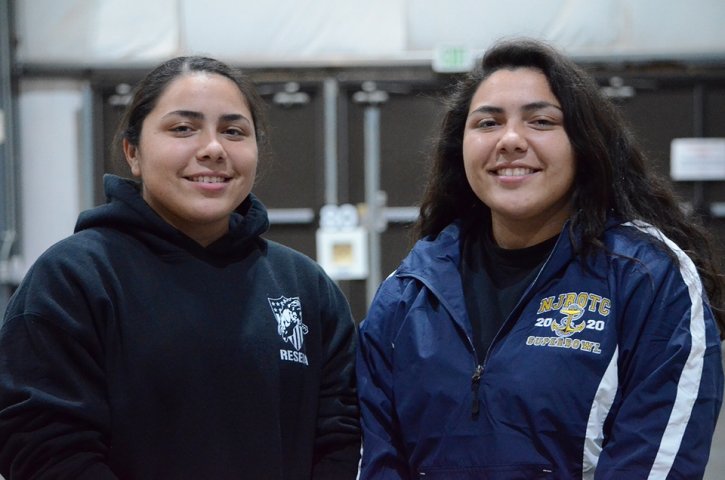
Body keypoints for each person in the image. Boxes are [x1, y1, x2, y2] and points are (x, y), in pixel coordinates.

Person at [356, 38, 724, 479]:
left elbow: (657, 464)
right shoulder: (407, 292)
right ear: (461, 147)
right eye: (488, 123)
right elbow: (375, 459)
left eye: (542, 121)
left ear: (584, 143)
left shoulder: (647, 278)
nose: (510, 140)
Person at [0, 56, 360, 479]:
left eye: (233, 131)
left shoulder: (304, 287)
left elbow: (340, 435)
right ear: (132, 152)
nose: (213, 148)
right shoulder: (73, 279)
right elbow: (43, 445)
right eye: (183, 128)